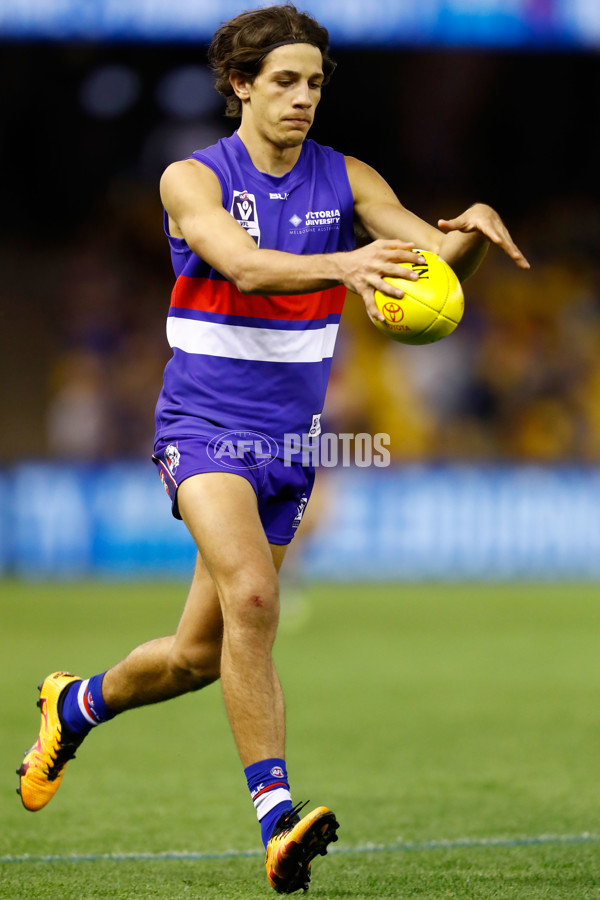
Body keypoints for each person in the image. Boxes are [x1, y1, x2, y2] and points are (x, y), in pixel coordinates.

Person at [17, 3, 529, 894]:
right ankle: (278, 820)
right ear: (241, 84)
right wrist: (349, 264)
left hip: (291, 444)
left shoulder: (350, 178)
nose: (302, 98)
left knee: (196, 656)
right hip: (203, 427)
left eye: (316, 83)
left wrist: (467, 237)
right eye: (285, 81)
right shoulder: (192, 179)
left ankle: (78, 702)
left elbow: (428, 279)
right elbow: (243, 263)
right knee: (254, 597)